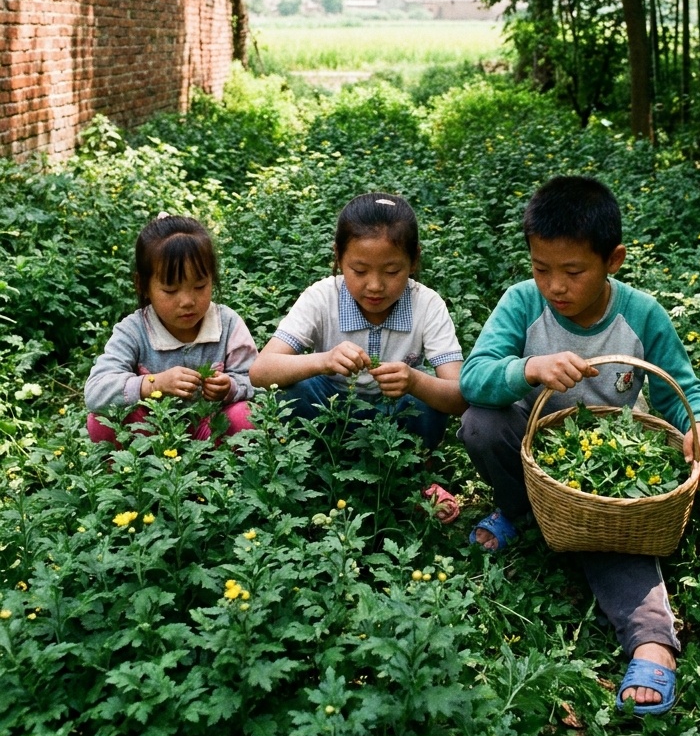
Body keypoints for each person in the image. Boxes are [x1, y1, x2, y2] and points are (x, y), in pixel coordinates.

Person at [458, 175, 700, 716]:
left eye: (573, 272)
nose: (555, 286)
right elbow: (474, 377)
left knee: (613, 528)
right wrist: (529, 368)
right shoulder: (522, 302)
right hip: (535, 443)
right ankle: (522, 511)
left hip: (606, 461)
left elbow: (684, 389)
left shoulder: (641, 314)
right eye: (541, 269)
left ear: (613, 260)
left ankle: (651, 639)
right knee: (480, 423)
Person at [249, 192, 466, 515]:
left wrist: (414, 382)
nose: (375, 285)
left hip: (395, 417)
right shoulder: (322, 297)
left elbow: (460, 396)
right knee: (290, 392)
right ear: (338, 258)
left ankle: (415, 478)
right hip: (331, 412)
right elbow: (260, 371)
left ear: (414, 260)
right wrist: (323, 361)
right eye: (360, 270)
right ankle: (311, 469)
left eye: (392, 271)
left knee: (428, 399)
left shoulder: (427, 304)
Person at [85, 214, 257, 442]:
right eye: (170, 290)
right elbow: (96, 391)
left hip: (211, 431)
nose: (187, 301)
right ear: (142, 285)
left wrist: (230, 388)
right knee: (100, 421)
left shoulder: (227, 324)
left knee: (246, 416)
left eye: (199, 286)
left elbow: (257, 381)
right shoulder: (134, 330)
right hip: (152, 434)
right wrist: (153, 384)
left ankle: (217, 462)